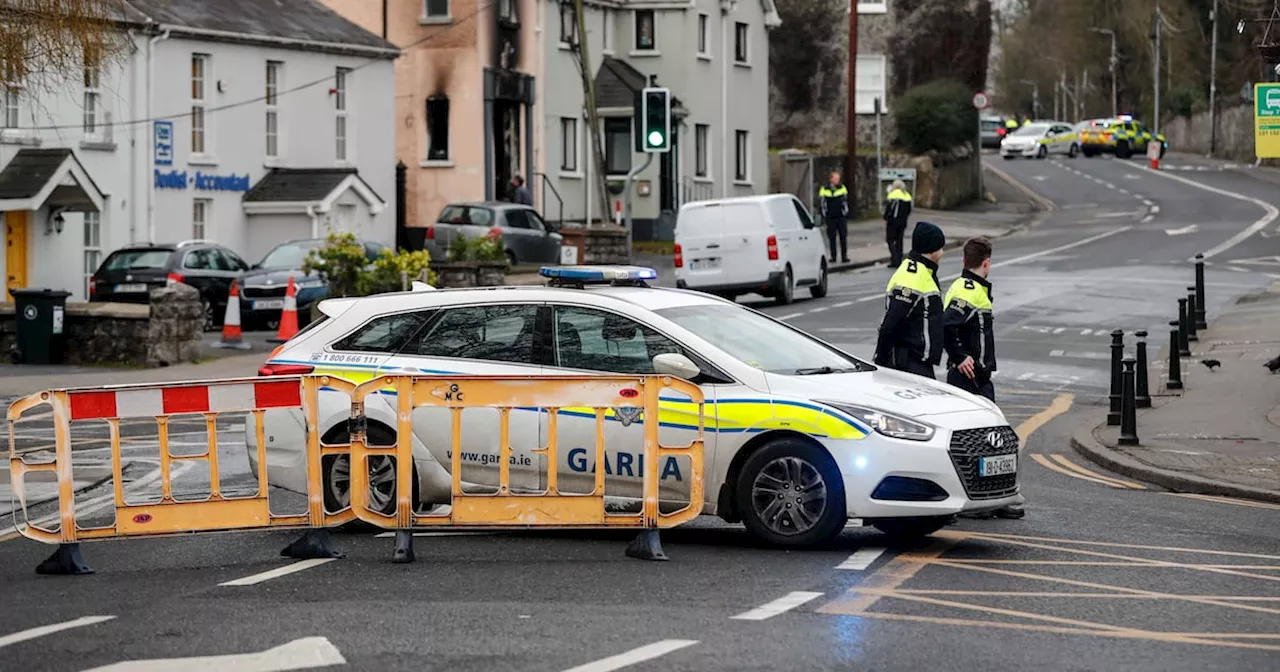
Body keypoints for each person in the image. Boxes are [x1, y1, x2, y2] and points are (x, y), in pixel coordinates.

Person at [942, 237, 1026, 520]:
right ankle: (986, 500)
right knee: (987, 439)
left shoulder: (966, 286)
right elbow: (948, 325)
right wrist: (961, 356)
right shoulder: (970, 290)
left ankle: (989, 497)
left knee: (983, 440)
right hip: (971, 378)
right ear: (986, 263)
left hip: (972, 375)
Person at [873, 221, 945, 378]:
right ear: (932, 249)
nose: (943, 252)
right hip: (910, 364)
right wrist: (880, 360)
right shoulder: (912, 276)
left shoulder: (924, 271)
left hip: (918, 362)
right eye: (941, 248)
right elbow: (891, 322)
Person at [818, 171, 850, 263]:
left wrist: (844, 213)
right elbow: (822, 203)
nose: (837, 180)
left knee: (843, 236)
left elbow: (845, 201)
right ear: (831, 179)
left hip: (840, 216)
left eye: (838, 179)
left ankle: (844, 256)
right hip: (830, 217)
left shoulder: (842, 188)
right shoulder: (824, 189)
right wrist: (825, 214)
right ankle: (833, 256)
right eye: (835, 179)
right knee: (832, 237)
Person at [883, 180, 913, 268]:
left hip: (893, 222)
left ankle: (895, 260)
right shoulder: (907, 196)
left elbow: (889, 209)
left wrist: (886, 218)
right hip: (903, 222)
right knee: (899, 241)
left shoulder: (893, 195)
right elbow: (909, 210)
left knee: (890, 240)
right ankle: (899, 259)